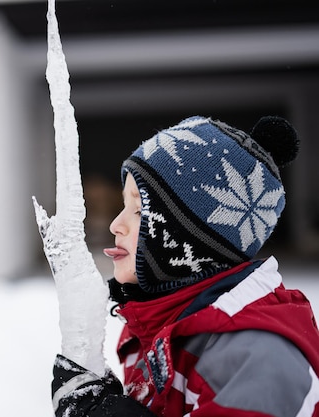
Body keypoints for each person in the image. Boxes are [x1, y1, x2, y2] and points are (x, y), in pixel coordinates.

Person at [50, 116, 319, 417]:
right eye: (123, 206)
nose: (116, 225)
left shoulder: (258, 359)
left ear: (193, 235)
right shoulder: (158, 333)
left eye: (139, 210)